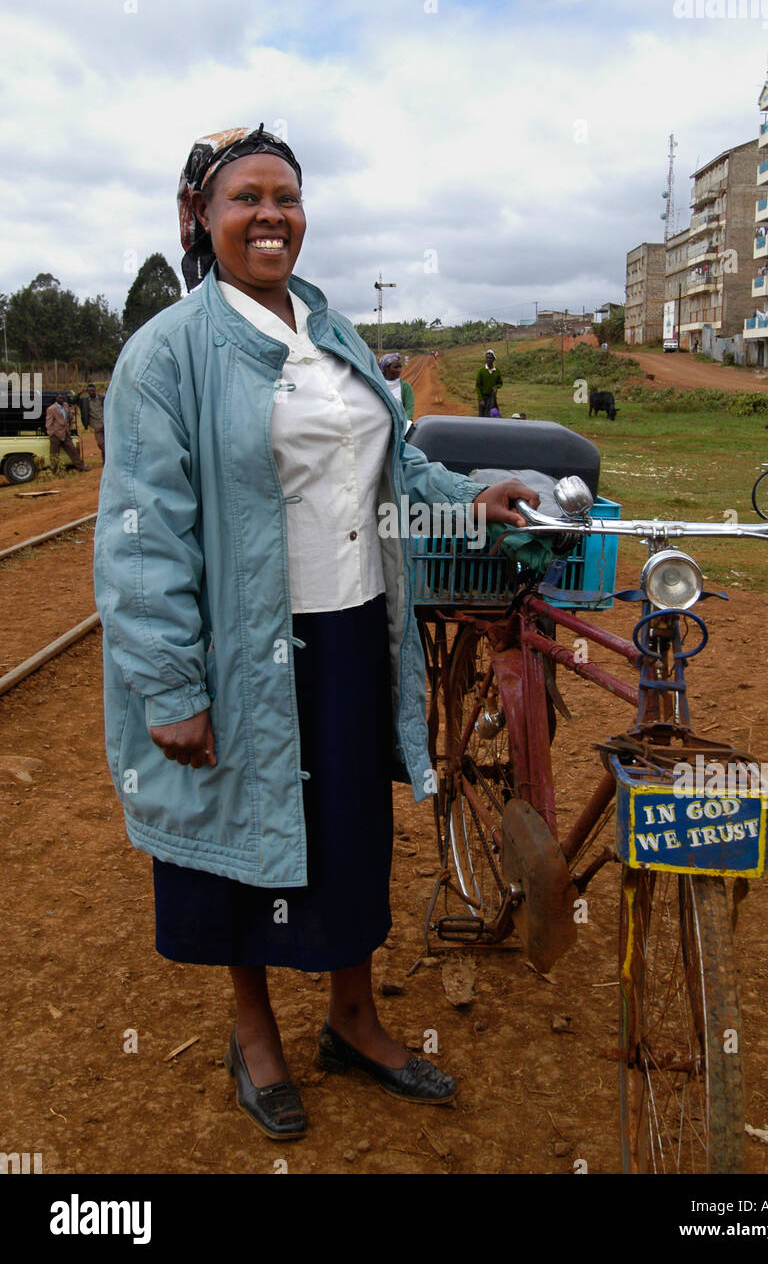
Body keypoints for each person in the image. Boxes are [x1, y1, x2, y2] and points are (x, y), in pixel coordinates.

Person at [93, 124, 538, 1142]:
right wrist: (169, 686)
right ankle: (255, 1035)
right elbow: (141, 536)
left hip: (345, 634)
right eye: (246, 196)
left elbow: (392, 467)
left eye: (285, 195)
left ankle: (353, 1017)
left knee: (346, 836)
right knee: (235, 844)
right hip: (238, 649)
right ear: (201, 217)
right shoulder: (166, 354)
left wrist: (472, 497)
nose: (270, 214)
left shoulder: (329, 331)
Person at [45, 393, 87, 472]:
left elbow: (68, 417)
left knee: (73, 451)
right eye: (59, 398)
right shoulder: (51, 409)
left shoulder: (65, 405)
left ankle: (81, 468)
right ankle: (55, 471)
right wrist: (51, 433)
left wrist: (71, 414)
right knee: (54, 454)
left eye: (62, 397)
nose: (61, 399)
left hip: (66, 433)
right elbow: (48, 423)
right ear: (56, 399)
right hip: (56, 435)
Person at [377, 352, 415, 428]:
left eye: (400, 367)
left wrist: (404, 424)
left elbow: (409, 409)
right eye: (395, 367)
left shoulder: (405, 387)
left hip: (399, 426)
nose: (399, 370)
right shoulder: (378, 385)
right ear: (386, 368)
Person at [79, 383, 106, 464]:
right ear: (87, 392)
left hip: (106, 423)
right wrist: (80, 393)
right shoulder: (85, 401)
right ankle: (110, 456)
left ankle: (105, 462)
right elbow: (73, 400)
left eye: (93, 390)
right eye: (90, 391)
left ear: (95, 390)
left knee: (107, 442)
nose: (92, 392)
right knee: (101, 443)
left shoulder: (102, 398)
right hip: (96, 425)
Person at [475, 349, 502, 416]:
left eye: (490, 358)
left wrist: (496, 387)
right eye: (487, 358)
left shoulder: (497, 371)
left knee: (493, 415)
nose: (488, 360)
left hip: (492, 397)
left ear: (493, 359)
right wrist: (481, 399)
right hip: (483, 397)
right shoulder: (481, 371)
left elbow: (500, 383)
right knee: (482, 416)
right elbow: (478, 386)